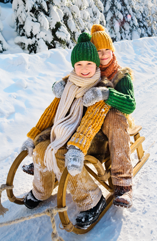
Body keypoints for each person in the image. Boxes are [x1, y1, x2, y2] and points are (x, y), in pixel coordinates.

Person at [20, 32, 108, 229]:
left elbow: (92, 122)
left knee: (61, 154)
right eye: (79, 65)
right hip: (66, 135)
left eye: (89, 64)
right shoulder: (68, 86)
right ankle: (42, 190)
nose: (84, 69)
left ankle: (92, 200)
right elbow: (50, 113)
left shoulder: (100, 88)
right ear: (73, 66)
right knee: (42, 149)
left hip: (92, 139)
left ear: (96, 65)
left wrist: (77, 147)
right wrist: (34, 137)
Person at [63, 24, 136, 208]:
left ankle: (123, 184)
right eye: (98, 51)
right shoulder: (90, 70)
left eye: (107, 50)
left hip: (114, 125)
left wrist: (107, 94)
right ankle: (48, 155)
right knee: (67, 107)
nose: (103, 55)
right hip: (90, 124)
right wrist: (62, 85)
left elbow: (130, 104)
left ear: (112, 51)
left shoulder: (120, 76)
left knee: (114, 117)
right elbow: (74, 77)